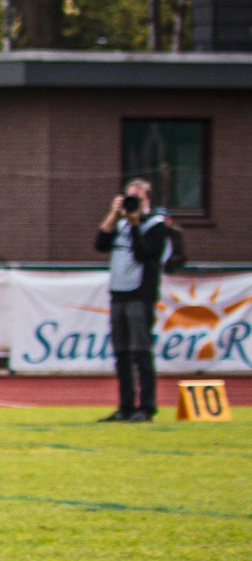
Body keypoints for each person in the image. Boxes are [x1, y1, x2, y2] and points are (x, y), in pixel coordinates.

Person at [95, 178, 172, 422]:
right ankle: (125, 406)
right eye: (128, 197)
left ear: (147, 199)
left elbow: (146, 254)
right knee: (121, 353)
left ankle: (146, 407)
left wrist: (136, 223)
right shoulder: (120, 223)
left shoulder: (155, 225)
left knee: (140, 351)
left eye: (136, 198)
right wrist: (113, 214)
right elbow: (100, 244)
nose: (131, 202)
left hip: (140, 293)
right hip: (118, 292)